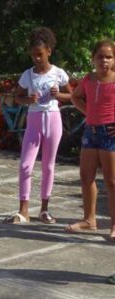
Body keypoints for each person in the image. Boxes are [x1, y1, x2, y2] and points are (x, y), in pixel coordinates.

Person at [4, 27, 72, 224]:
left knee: (48, 166)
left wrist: (58, 95)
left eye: (40, 54)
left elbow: (72, 96)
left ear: (49, 51)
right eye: (33, 55)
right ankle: (23, 210)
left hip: (52, 119)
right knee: (26, 165)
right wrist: (28, 99)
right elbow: (17, 98)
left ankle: (44, 209)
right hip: (34, 120)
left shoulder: (59, 73)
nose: (37, 59)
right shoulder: (27, 75)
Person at [66, 39, 115, 237]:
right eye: (100, 56)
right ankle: (89, 219)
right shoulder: (88, 79)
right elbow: (75, 97)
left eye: (109, 57)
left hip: (110, 134)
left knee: (111, 181)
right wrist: (89, 113)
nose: (104, 60)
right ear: (93, 58)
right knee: (86, 177)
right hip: (90, 133)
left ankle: (114, 225)